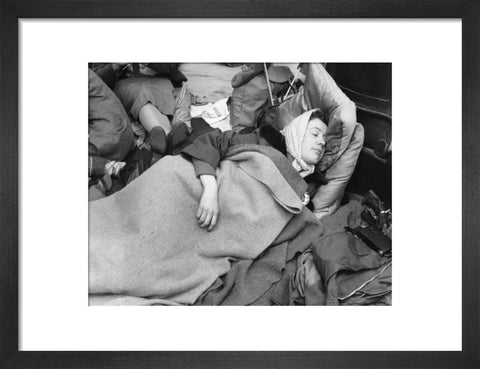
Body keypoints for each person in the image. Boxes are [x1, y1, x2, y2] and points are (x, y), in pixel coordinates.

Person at [175, 108, 328, 231]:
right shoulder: (264, 141)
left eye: (325, 140)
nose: (321, 142)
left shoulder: (310, 186)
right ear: (297, 133)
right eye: (315, 134)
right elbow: (213, 141)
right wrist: (210, 189)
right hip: (206, 190)